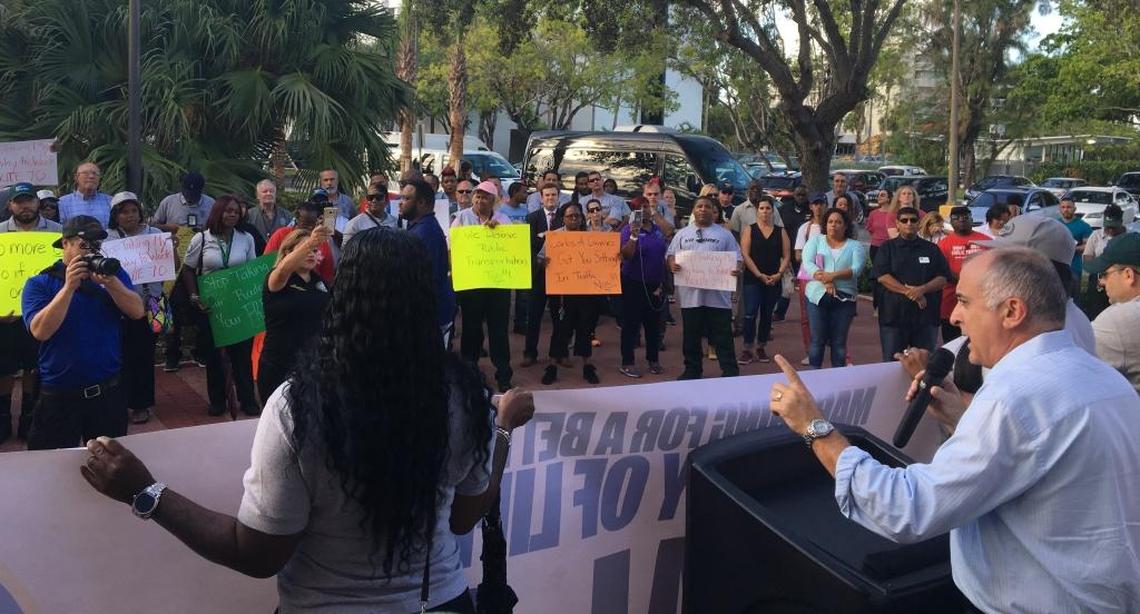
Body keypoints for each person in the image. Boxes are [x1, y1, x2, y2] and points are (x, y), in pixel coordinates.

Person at [78, 228, 537, 613]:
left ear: (342, 298)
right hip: (439, 603)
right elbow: (463, 519)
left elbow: (256, 554)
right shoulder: (464, 396)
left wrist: (144, 492)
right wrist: (501, 430)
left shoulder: (299, 407)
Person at [767, 246, 1140, 613]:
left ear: (1012, 311)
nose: (955, 316)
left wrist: (815, 427)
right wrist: (960, 416)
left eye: (964, 301)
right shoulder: (1102, 378)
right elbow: (1037, 461)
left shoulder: (1013, 397)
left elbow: (907, 509)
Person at [21, 215, 144, 449]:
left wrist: (111, 283)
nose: (91, 252)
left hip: (108, 391)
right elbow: (39, 331)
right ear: (65, 244)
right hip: (59, 393)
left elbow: (137, 311)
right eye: (84, 245)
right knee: (52, 464)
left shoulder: (113, 276)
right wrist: (68, 288)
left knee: (111, 461)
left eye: (96, 245)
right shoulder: (39, 283)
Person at [181, 196, 260, 416]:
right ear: (218, 212)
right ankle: (217, 400)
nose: (232, 215)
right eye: (228, 211)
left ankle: (247, 399)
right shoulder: (202, 239)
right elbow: (188, 268)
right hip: (212, 307)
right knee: (215, 356)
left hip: (238, 304)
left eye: (236, 211)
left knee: (242, 356)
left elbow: (251, 268)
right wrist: (194, 295)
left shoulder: (246, 239)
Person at [974, 215, 1097, 355]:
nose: (993, 266)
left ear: (1037, 269)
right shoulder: (1057, 316)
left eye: (1004, 260)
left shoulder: (1046, 332)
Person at [0, 184, 61, 442]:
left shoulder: (57, 232)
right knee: (3, 368)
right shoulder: (0, 233)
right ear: (10, 206)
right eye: (19, 201)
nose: (25, 206)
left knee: (34, 367)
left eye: (29, 200)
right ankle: (3, 417)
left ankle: (28, 415)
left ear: (38, 202)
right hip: (6, 315)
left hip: (42, 313)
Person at [107, 192, 165, 424]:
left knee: (144, 354)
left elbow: (171, 267)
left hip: (152, 303)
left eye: (134, 211)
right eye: (124, 212)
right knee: (120, 354)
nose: (130, 216)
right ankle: (119, 401)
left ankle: (142, 404)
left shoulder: (156, 235)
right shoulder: (107, 240)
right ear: (115, 215)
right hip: (118, 305)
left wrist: (170, 253)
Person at [668, 196, 741, 380]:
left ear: (713, 211)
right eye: (699, 206)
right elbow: (670, 255)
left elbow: (738, 258)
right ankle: (692, 370)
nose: (703, 209)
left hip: (718, 297)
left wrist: (737, 269)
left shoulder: (724, 234)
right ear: (693, 210)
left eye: (707, 207)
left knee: (723, 335)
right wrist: (672, 265)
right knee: (691, 336)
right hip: (691, 297)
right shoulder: (682, 234)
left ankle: (730, 370)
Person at [452, 181, 514, 392]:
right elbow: (452, 246)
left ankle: (503, 374)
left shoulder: (503, 220)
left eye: (485, 197)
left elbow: (512, 249)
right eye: (477, 196)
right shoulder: (461, 218)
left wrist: (498, 234)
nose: (480, 200)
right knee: (470, 329)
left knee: (498, 330)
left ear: (493, 201)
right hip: (472, 286)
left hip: (497, 286)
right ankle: (469, 371)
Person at [535, 202, 605, 385]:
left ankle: (587, 366)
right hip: (562, 293)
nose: (573, 219)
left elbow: (603, 260)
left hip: (585, 291)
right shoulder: (555, 237)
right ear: (563, 218)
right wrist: (545, 262)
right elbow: (540, 258)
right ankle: (552, 366)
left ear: (582, 218)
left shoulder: (591, 237)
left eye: (576, 216)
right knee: (560, 329)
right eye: (569, 216)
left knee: (585, 328)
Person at [259, 227, 332, 402]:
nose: (310, 253)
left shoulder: (319, 282)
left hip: (311, 364)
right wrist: (311, 241)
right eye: (304, 249)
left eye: (314, 250)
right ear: (287, 253)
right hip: (279, 363)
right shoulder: (277, 279)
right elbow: (283, 269)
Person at [873, 206, 949, 361]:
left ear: (919, 223)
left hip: (926, 318)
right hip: (894, 317)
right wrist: (911, 293)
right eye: (904, 220)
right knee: (891, 363)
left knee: (925, 364)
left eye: (913, 220)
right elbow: (882, 277)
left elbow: (943, 277)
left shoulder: (932, 249)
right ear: (898, 223)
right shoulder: (887, 248)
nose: (909, 223)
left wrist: (922, 289)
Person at [801, 208, 865, 368]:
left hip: (844, 299)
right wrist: (826, 281)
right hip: (817, 296)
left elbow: (857, 269)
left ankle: (838, 377)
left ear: (845, 226)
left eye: (838, 222)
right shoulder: (816, 241)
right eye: (830, 222)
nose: (833, 225)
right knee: (817, 340)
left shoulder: (855, 246)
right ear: (825, 224)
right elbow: (808, 263)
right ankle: (814, 375)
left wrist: (833, 276)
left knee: (839, 342)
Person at [618, 196, 672, 378]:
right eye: (640, 208)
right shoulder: (628, 230)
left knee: (653, 324)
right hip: (633, 283)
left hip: (655, 284)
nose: (645, 210)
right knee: (631, 324)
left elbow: (666, 248)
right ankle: (627, 362)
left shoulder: (657, 230)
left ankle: (653, 360)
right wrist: (634, 235)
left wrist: (665, 282)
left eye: (646, 206)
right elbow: (626, 255)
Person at [399, 179, 457, 344]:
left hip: (430, 315)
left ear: (422, 202)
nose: (400, 203)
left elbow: (425, 279)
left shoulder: (425, 233)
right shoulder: (418, 227)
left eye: (406, 198)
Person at [738, 196, 790, 365]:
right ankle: (747, 348)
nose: (765, 211)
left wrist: (779, 273)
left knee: (767, 314)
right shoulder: (749, 230)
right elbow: (745, 254)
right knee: (750, 313)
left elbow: (786, 255)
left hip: (773, 279)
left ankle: (761, 346)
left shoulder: (780, 231)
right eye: (762, 208)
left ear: (772, 210)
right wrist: (758, 274)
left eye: (768, 208)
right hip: (753, 279)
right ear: (757, 210)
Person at [1087, 232, 1140, 393]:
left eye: (1104, 274)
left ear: (1128, 275)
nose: (1101, 282)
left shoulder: (1119, 320)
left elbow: (1073, 374)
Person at [521, 183, 564, 368]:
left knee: (559, 317)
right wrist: (537, 261)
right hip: (538, 275)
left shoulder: (566, 217)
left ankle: (559, 353)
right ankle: (530, 353)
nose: (550, 198)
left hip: (560, 275)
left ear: (558, 197)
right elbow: (526, 247)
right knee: (534, 316)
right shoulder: (531, 218)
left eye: (553, 195)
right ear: (541, 197)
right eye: (547, 195)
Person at [265, 200, 336, 286]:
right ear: (297, 219)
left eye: (311, 223)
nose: (308, 228)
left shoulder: (321, 240)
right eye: (304, 223)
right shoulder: (281, 235)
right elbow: (266, 264)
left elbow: (327, 275)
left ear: (317, 220)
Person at [793, 194, 827, 364]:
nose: (818, 207)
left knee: (832, 314)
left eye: (821, 204)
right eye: (815, 204)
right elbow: (798, 254)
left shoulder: (832, 226)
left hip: (830, 275)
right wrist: (813, 258)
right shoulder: (805, 228)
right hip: (808, 276)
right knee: (806, 315)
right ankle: (810, 351)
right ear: (811, 207)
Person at [1081, 204, 1128, 318]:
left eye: (1114, 227)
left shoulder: (1130, 237)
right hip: (1099, 281)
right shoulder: (1096, 235)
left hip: (1122, 282)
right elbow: (1087, 256)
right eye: (1108, 227)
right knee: (1096, 313)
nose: (1110, 230)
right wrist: (1099, 265)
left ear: (1121, 222)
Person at [774, 186, 811, 321]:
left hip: (805, 255)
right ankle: (779, 313)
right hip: (786, 253)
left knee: (806, 286)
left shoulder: (811, 210)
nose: (800, 197)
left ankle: (809, 313)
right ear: (793, 195)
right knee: (787, 286)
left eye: (803, 194)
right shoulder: (784, 209)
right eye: (798, 194)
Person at [865, 187, 897, 313]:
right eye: (879, 195)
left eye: (882, 195)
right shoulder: (873, 213)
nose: (879, 197)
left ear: (889, 198)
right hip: (876, 248)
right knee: (878, 277)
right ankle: (877, 305)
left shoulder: (894, 214)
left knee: (890, 276)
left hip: (890, 248)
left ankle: (889, 304)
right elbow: (870, 228)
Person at [1058, 195, 1093, 294]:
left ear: (1074, 209)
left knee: (1074, 298)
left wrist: (1072, 248)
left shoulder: (1084, 226)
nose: (1066, 210)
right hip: (1057, 267)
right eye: (1063, 207)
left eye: (1069, 207)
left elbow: (1088, 246)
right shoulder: (1054, 224)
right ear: (1059, 209)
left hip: (1074, 268)